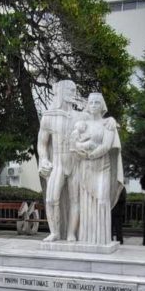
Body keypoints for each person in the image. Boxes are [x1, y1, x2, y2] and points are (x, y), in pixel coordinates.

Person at [70, 92, 124, 245]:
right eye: (91, 102)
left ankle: (101, 237)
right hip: (86, 167)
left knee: (101, 200)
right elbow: (73, 144)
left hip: (102, 167)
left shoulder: (108, 123)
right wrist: (84, 147)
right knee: (86, 202)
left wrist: (91, 154)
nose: (93, 105)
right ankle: (87, 238)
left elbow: (107, 145)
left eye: (97, 103)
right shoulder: (83, 124)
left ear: (102, 106)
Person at [37, 79, 85, 242]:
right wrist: (43, 159)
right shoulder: (48, 117)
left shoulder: (80, 117)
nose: (74, 94)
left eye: (74, 90)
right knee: (51, 199)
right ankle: (55, 232)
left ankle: (71, 233)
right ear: (61, 93)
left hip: (75, 163)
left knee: (75, 200)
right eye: (70, 91)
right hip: (58, 162)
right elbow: (42, 144)